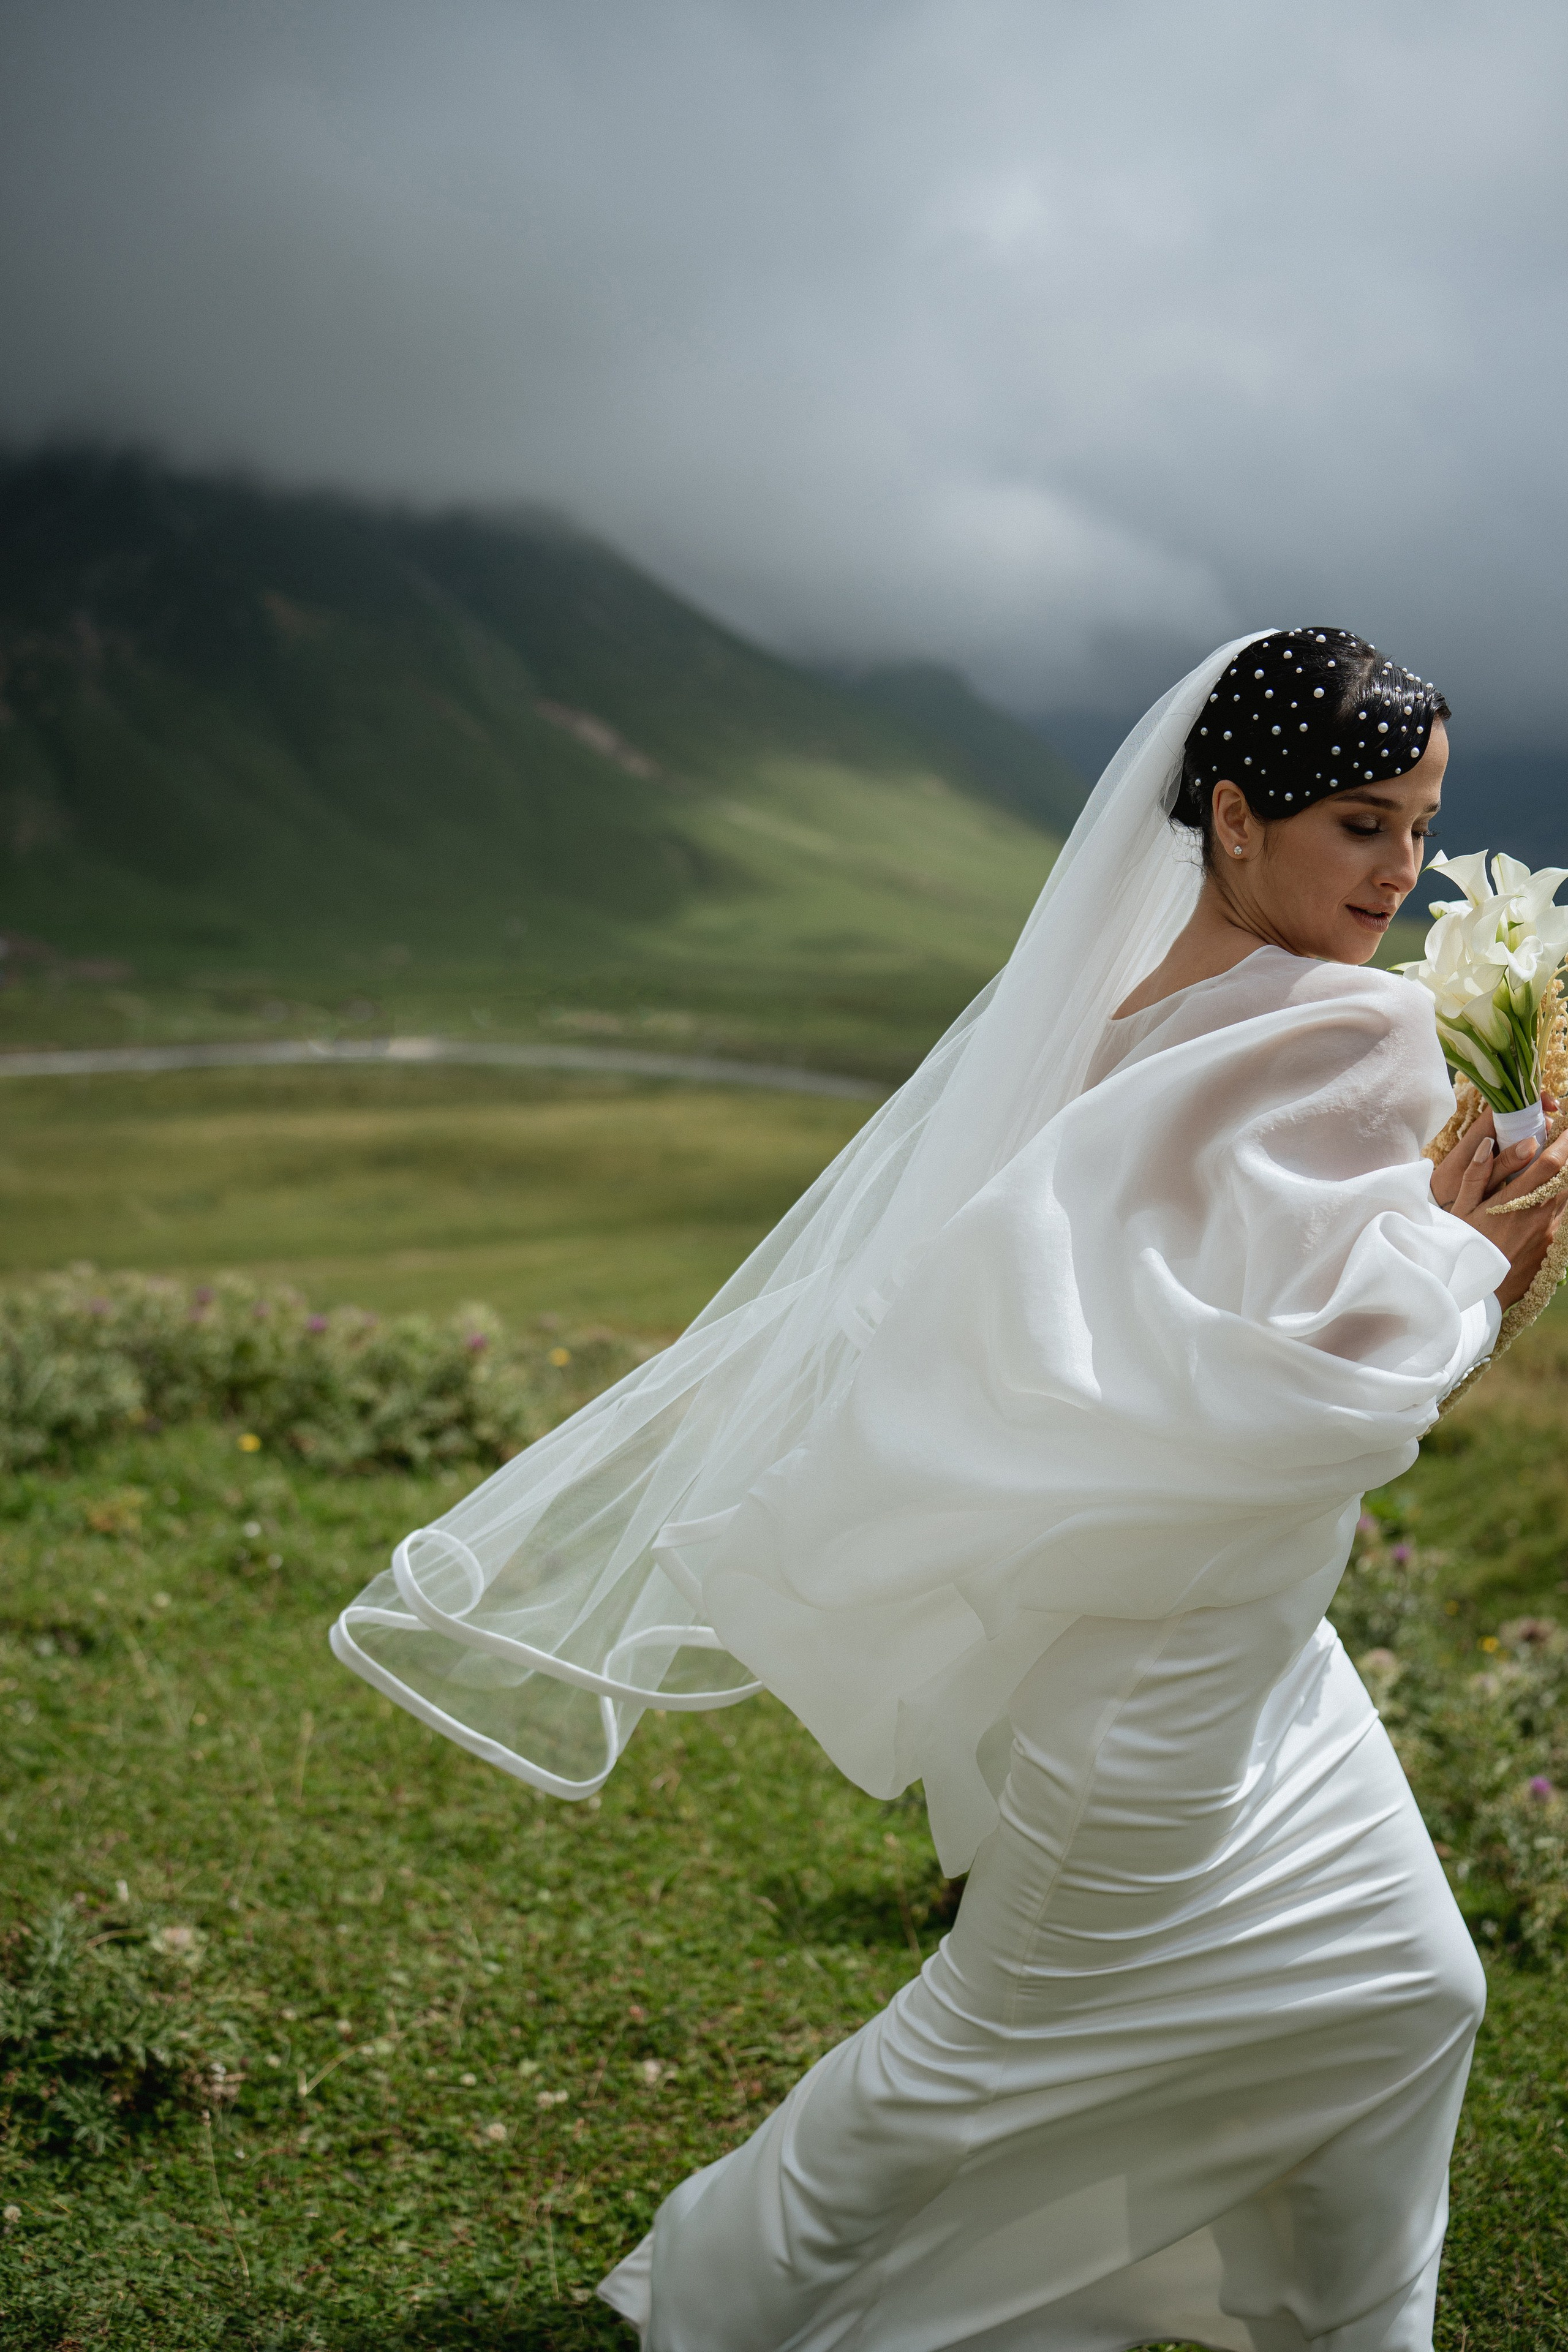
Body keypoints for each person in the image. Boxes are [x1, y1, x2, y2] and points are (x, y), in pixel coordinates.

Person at [333, 629, 1567, 2351]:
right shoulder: (1355, 1034)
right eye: (1360, 822)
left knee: (1411, 1991)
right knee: (976, 2058)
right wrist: (1469, 1268)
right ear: (1229, 818)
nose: (1401, 873)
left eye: (1421, 827)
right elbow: (1321, 1397)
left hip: (1237, 1653)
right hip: (1173, 1683)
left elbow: (1188, 1355)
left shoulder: (1123, 1016)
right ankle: (700, 2308)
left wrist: (1449, 1271)